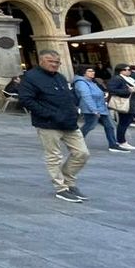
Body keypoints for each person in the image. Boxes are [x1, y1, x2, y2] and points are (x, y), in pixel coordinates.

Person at [19, 49, 89, 202]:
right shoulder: (31, 77)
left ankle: (68, 180)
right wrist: (49, 114)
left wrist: (74, 111)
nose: (54, 64)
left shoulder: (60, 77)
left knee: (82, 153)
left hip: (69, 122)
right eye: (51, 61)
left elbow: (68, 96)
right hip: (48, 124)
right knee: (54, 156)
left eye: (57, 62)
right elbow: (26, 99)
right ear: (41, 61)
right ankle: (61, 188)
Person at [75, 65, 123, 153]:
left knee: (110, 126)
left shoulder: (92, 82)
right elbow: (86, 96)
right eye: (90, 71)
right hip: (91, 109)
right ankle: (75, 142)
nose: (93, 73)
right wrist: (94, 109)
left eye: (93, 71)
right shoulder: (81, 82)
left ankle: (113, 145)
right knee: (89, 126)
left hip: (101, 108)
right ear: (83, 72)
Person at [107, 63, 135, 150]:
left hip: (134, 104)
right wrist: (128, 90)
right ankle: (121, 141)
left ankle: (121, 141)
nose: (130, 71)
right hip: (126, 105)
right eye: (127, 69)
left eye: (130, 70)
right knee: (124, 123)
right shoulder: (117, 79)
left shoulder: (130, 79)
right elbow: (112, 90)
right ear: (121, 71)